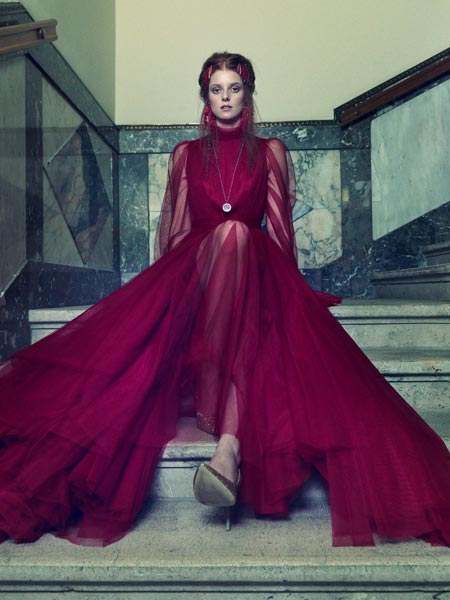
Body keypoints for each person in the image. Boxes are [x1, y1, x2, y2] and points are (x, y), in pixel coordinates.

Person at [0, 52, 449, 548]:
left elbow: (278, 232)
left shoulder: (271, 151)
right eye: (217, 89)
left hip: (256, 271)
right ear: (206, 97)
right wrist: (166, 302)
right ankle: (227, 439)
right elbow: (174, 237)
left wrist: (293, 293)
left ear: (248, 94)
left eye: (234, 88)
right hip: (199, 272)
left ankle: (227, 449)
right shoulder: (186, 153)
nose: (226, 97)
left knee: (242, 240)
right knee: (231, 234)